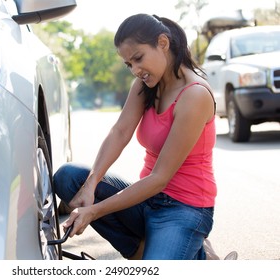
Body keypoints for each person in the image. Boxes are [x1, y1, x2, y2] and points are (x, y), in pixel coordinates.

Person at [54, 13, 221, 260]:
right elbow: (120, 132)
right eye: (128, 64)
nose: (135, 70)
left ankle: (200, 258)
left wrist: (94, 211)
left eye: (138, 58)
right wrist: (91, 184)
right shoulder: (145, 84)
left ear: (163, 43)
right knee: (69, 178)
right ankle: (142, 250)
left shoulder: (194, 95)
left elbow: (160, 178)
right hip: (146, 200)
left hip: (185, 209)